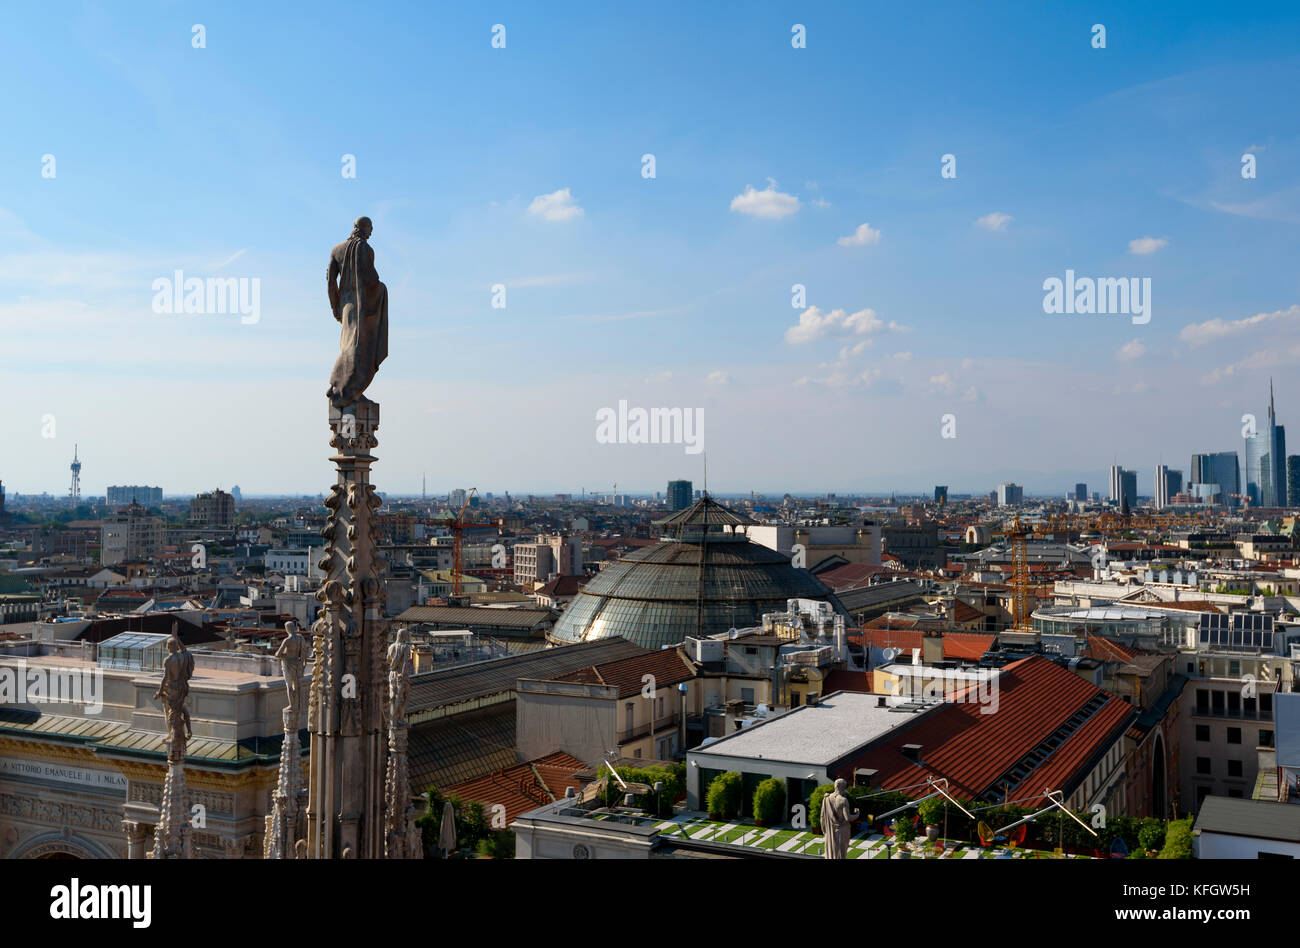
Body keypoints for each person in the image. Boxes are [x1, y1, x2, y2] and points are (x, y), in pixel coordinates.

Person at [820, 778, 860, 859]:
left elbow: (822, 818)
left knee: (831, 853)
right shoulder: (843, 800)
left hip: (830, 831)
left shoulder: (826, 798)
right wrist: (857, 814)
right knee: (840, 854)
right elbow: (848, 818)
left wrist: (825, 831)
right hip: (841, 832)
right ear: (843, 788)